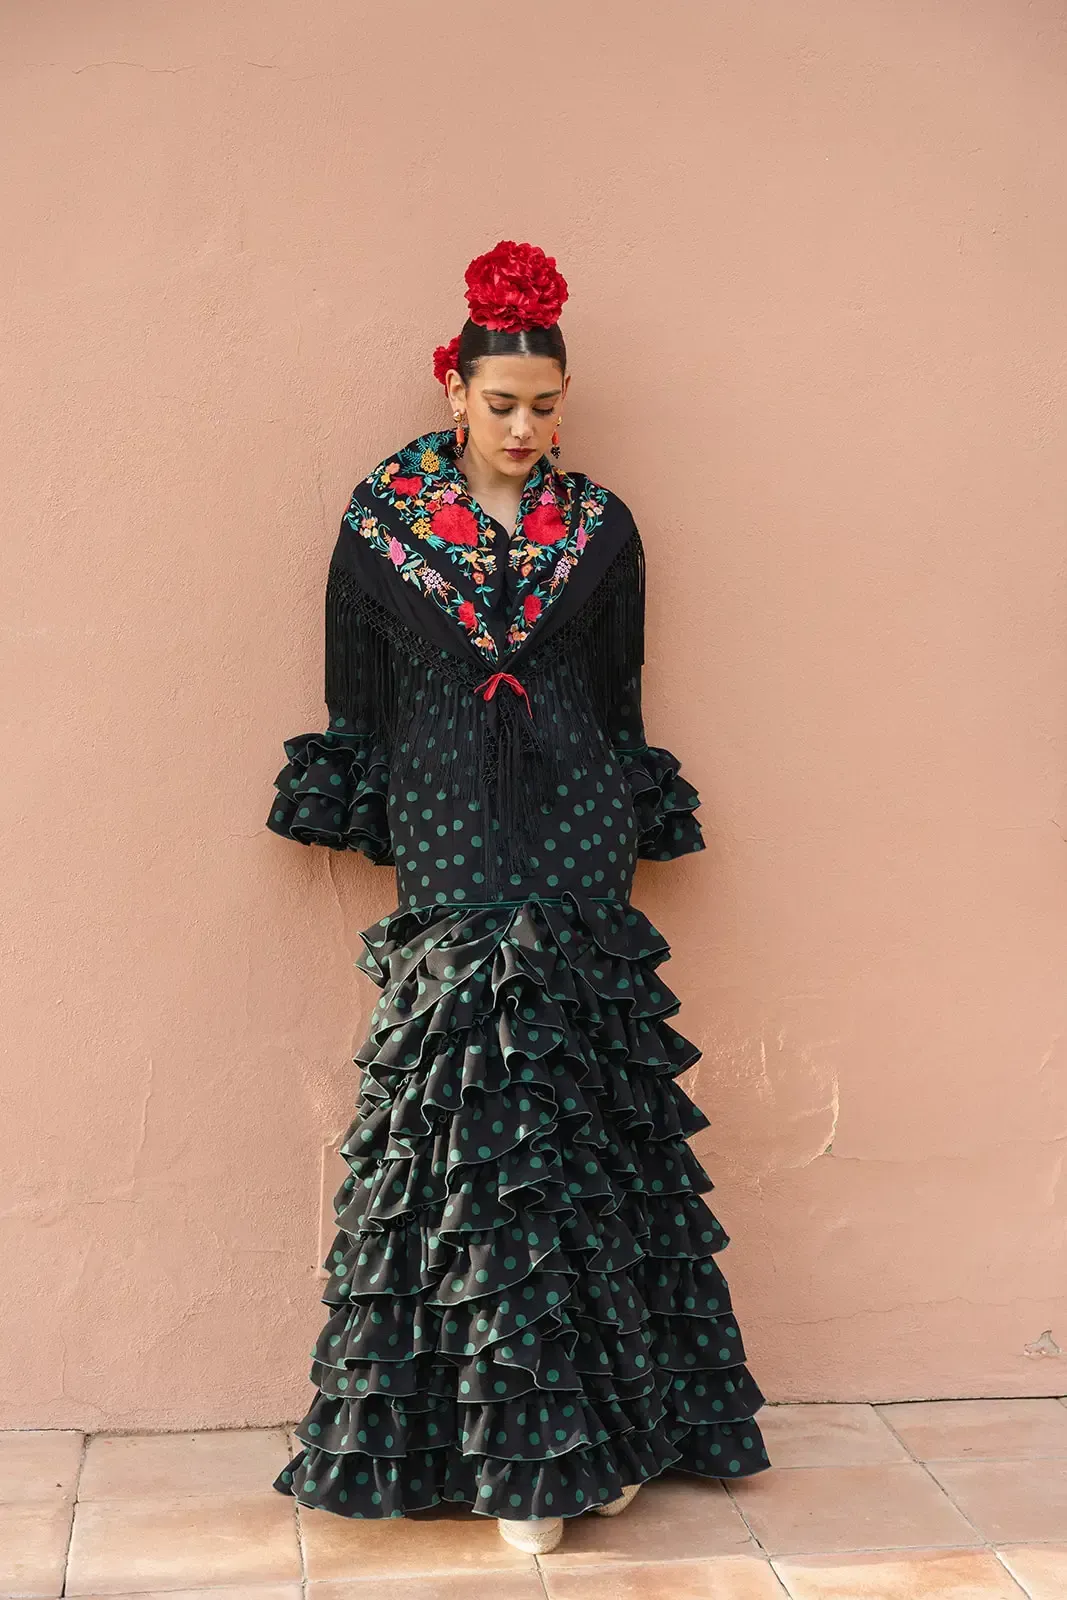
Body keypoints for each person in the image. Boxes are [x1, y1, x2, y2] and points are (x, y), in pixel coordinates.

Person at [266, 240, 771, 1554]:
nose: (524, 428)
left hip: (579, 816)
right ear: (454, 389)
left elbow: (619, 696)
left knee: (581, 1115)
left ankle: (606, 1433)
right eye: (501, 404)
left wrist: (630, 799)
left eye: (545, 406)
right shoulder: (381, 521)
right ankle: (501, 1452)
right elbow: (353, 695)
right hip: (445, 816)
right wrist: (358, 797)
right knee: (472, 1111)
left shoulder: (603, 529)